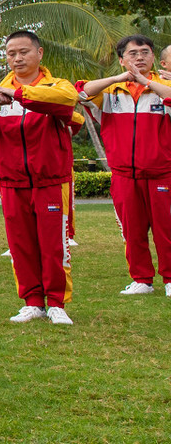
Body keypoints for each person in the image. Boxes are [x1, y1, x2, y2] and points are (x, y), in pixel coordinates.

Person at [0, 30, 81, 325]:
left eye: (24, 51)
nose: (17, 58)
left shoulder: (57, 86)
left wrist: (18, 95)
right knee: (20, 245)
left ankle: (56, 303)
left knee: (54, 245)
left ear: (39, 54)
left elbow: (68, 101)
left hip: (51, 179)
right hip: (12, 181)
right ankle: (32, 302)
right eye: (11, 53)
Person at [77, 35, 171, 298]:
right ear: (121, 60)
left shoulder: (163, 86)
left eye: (145, 52)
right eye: (132, 53)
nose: (139, 57)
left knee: (167, 230)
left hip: (162, 173)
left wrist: (148, 82)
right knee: (133, 230)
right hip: (124, 175)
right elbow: (80, 91)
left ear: (153, 57)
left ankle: (170, 278)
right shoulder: (110, 92)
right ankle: (141, 279)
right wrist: (119, 79)